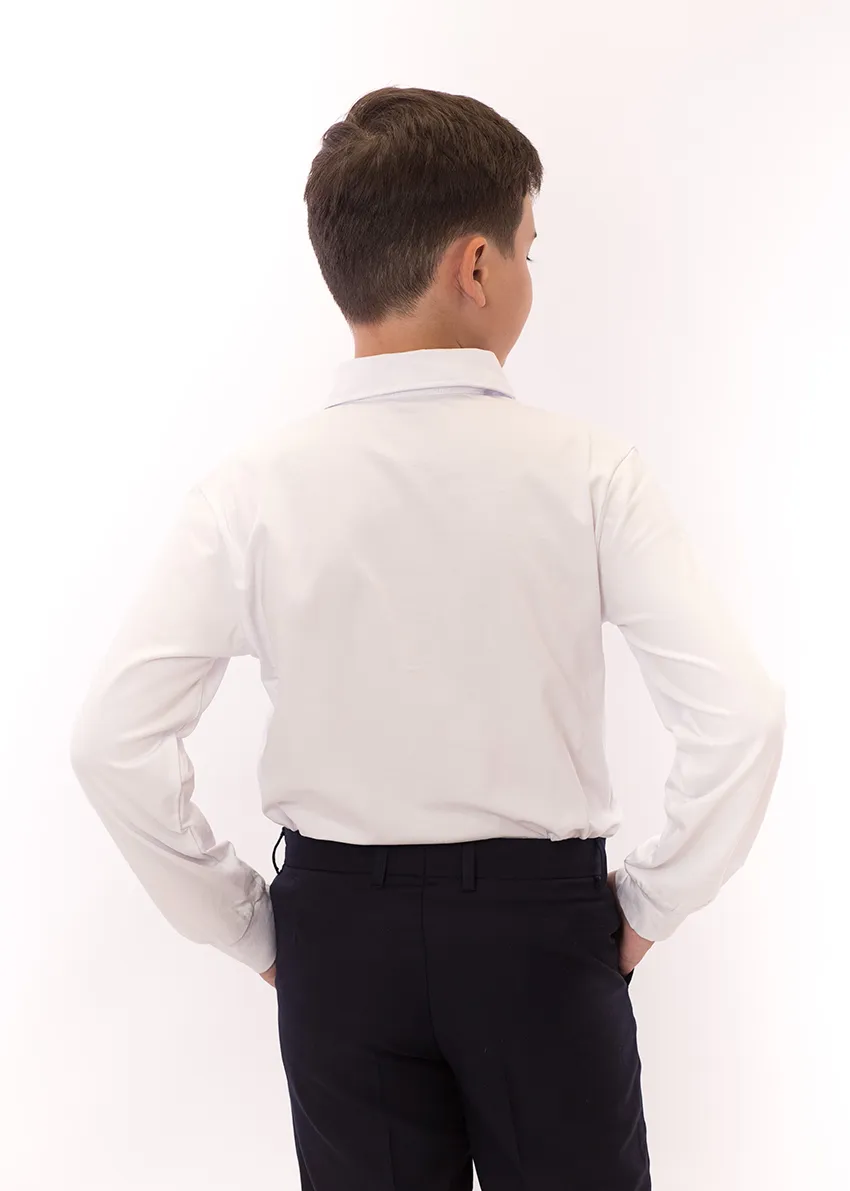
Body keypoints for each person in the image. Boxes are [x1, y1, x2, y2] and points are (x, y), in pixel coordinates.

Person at [69, 86, 786, 1190]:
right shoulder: (589, 471)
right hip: (540, 935)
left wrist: (253, 930)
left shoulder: (249, 490)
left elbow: (111, 742)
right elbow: (742, 715)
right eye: (529, 249)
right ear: (476, 266)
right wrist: (648, 907)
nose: (531, 274)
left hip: (337, 937)